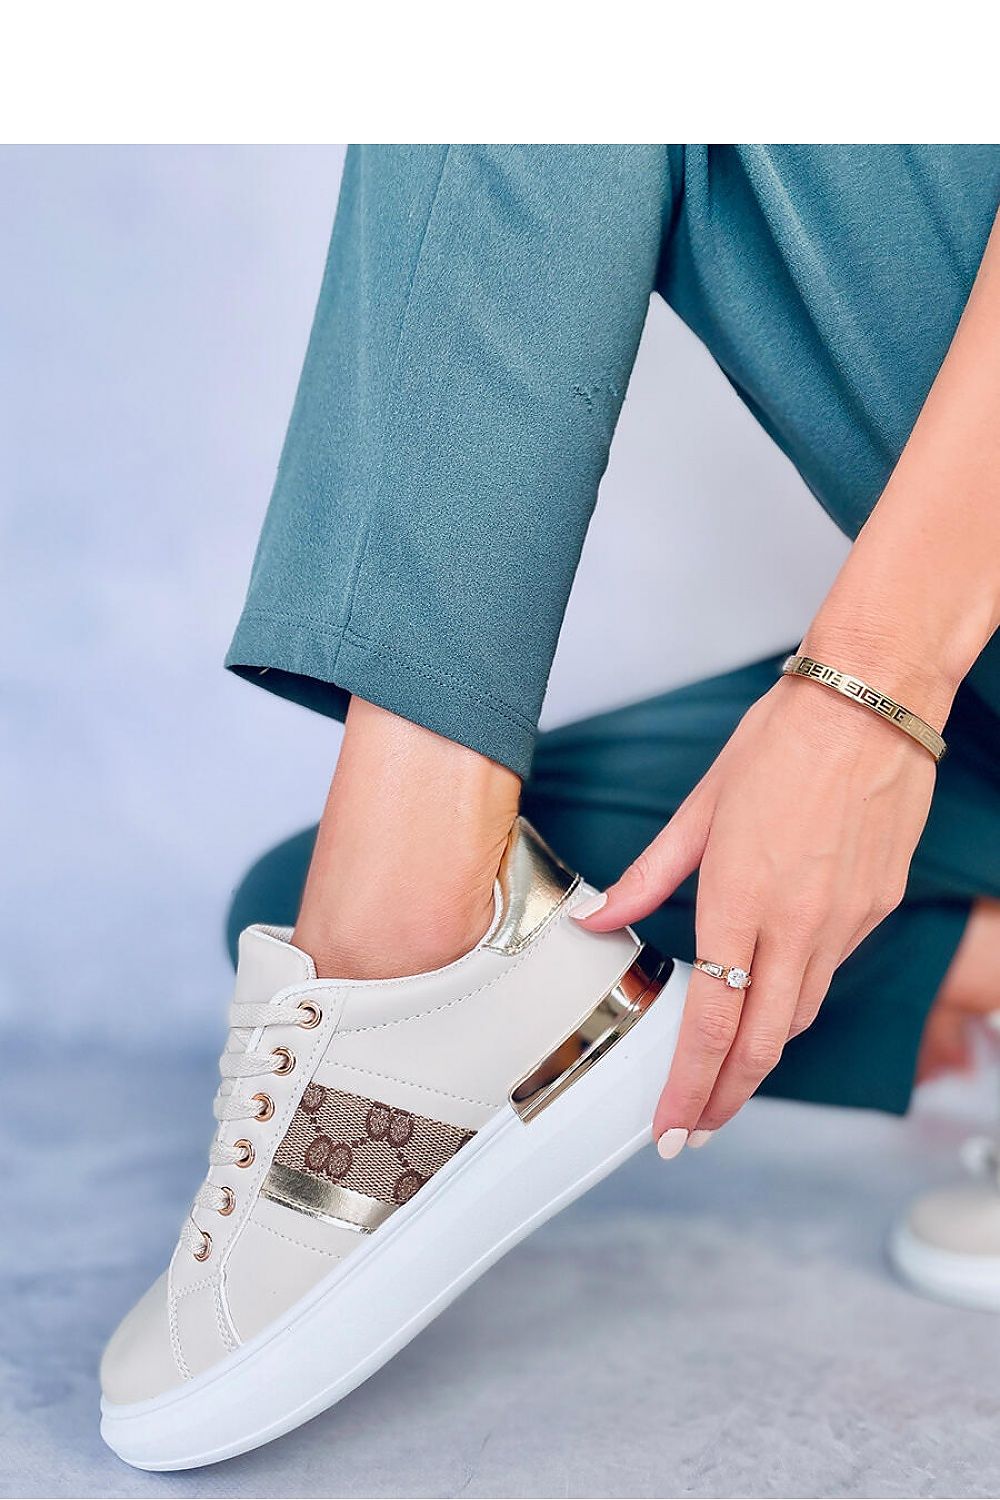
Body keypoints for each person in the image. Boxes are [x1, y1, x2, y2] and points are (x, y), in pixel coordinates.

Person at [100, 147, 1000, 1470]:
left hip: (934, 669)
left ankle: (404, 964)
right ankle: (412, 948)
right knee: (369, 889)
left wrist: (869, 694)